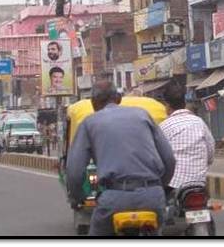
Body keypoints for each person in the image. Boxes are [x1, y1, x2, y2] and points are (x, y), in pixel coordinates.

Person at [66, 81, 176, 236]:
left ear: (93, 102)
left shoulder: (89, 123)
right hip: (152, 197)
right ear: (118, 98)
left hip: (114, 199)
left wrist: (79, 197)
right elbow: (169, 159)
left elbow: (74, 171)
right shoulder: (142, 115)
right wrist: (159, 187)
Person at [159, 83, 215, 193]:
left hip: (173, 184)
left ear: (167, 105)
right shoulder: (199, 122)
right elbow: (210, 150)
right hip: (199, 183)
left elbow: (159, 156)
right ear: (184, 103)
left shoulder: (164, 126)